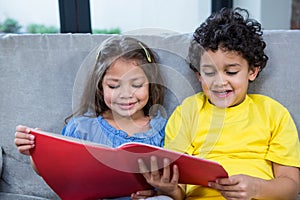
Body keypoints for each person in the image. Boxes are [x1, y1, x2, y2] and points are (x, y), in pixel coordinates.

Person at [134, 7, 300, 200]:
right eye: (210, 73)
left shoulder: (274, 113)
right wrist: (169, 190)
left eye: (231, 72)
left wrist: (256, 188)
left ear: (252, 72)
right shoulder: (188, 112)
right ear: (198, 75)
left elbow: (291, 186)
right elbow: (178, 190)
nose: (219, 82)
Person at [14, 35, 167, 199]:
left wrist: (155, 193)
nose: (125, 94)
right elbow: (57, 173)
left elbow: (173, 184)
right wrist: (36, 152)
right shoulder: (81, 128)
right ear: (100, 86)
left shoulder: (163, 130)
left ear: (151, 84)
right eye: (114, 86)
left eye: (136, 85)